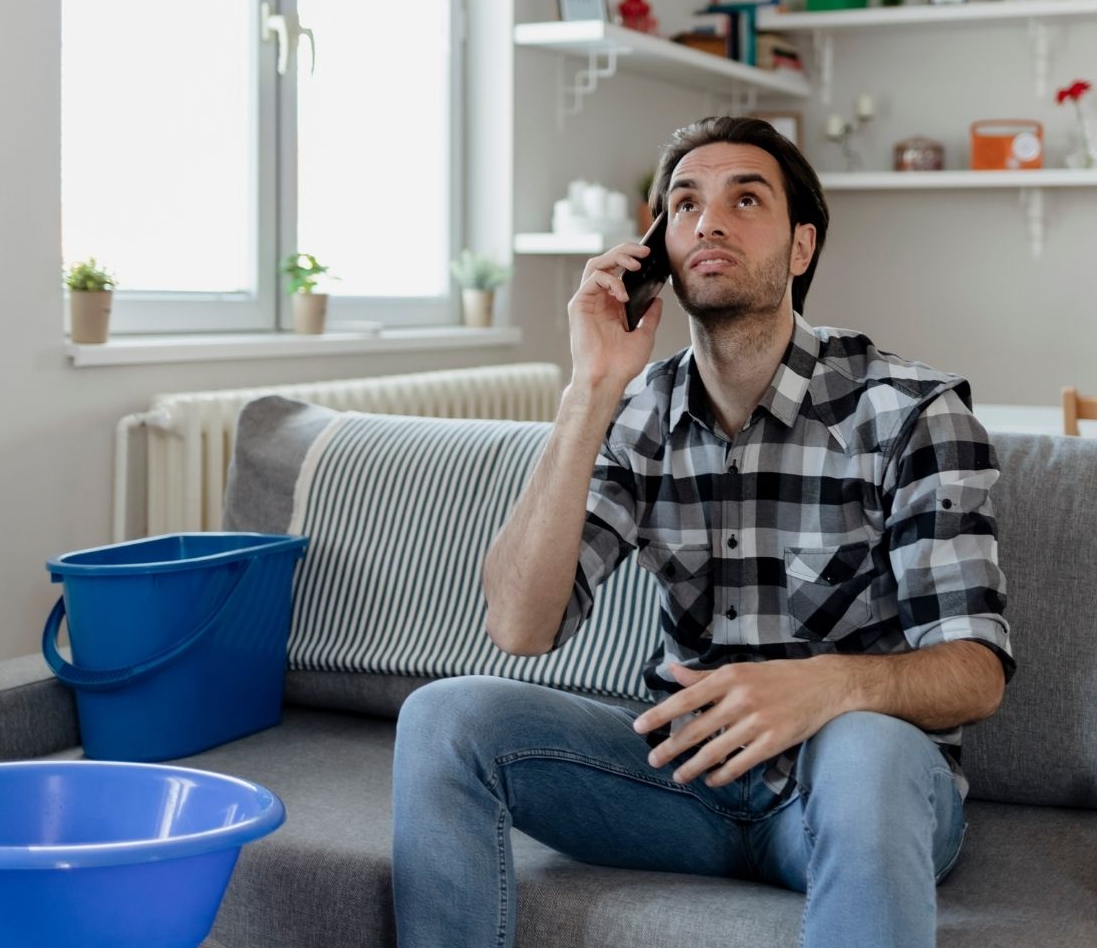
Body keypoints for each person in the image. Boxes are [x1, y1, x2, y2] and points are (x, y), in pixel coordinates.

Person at [392, 115, 1013, 947]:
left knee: (867, 745)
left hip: (849, 795)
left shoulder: (910, 412)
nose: (708, 221)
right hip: (683, 791)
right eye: (684, 205)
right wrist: (589, 391)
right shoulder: (636, 412)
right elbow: (519, 625)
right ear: (659, 252)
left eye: (744, 199)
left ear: (801, 248)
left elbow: (976, 670)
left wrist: (826, 687)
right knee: (442, 717)